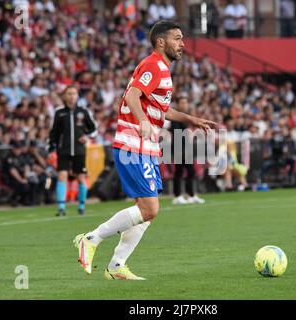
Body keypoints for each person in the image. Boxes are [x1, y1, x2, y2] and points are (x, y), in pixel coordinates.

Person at [73, 21, 216, 280]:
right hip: (133, 144)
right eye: (177, 38)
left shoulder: (163, 70)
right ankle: (91, 239)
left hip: (145, 147)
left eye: (182, 39)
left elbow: (161, 109)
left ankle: (117, 266)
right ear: (161, 42)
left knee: (145, 213)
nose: (182, 44)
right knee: (150, 209)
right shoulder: (154, 64)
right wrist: (141, 121)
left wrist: (190, 119)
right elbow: (131, 96)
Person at [48, 85, 97, 216]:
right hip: (63, 150)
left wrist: (87, 136)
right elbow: (54, 132)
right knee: (62, 176)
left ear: (77, 96)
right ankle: (61, 207)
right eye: (69, 93)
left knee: (81, 177)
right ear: (64, 96)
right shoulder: (59, 113)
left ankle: (81, 206)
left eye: (74, 93)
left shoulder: (83, 111)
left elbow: (93, 129)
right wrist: (52, 147)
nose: (71, 96)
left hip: (79, 150)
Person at [170, 96, 206, 204]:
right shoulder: (175, 117)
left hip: (185, 148)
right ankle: (178, 196)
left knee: (189, 172)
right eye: (182, 103)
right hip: (179, 149)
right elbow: (177, 134)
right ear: (177, 104)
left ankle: (190, 195)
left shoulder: (184, 117)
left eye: (185, 103)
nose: (184, 105)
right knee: (181, 172)